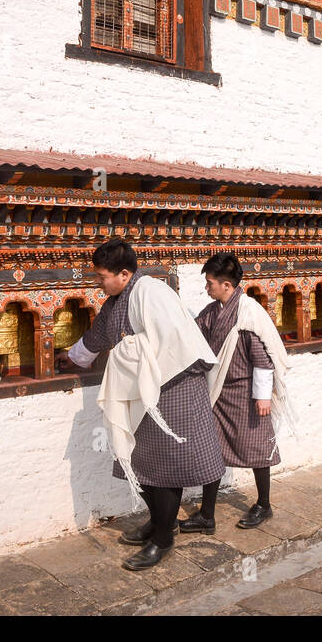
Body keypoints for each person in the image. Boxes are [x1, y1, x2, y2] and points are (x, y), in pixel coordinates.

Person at [57, 238, 226, 571]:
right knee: (142, 463)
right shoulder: (116, 302)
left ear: (123, 273)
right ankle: (158, 522)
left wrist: (132, 351)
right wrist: (72, 358)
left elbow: (176, 342)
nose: (98, 282)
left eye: (101, 276)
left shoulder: (152, 292)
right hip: (146, 392)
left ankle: (163, 540)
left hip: (176, 387)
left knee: (167, 469)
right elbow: (98, 337)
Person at [187, 252, 292, 531]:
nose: (206, 288)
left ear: (226, 285)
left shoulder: (248, 313)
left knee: (258, 449)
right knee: (213, 452)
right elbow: (194, 336)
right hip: (218, 393)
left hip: (247, 395)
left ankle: (264, 504)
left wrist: (263, 396)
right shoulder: (212, 313)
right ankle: (206, 514)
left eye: (210, 283)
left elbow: (262, 357)